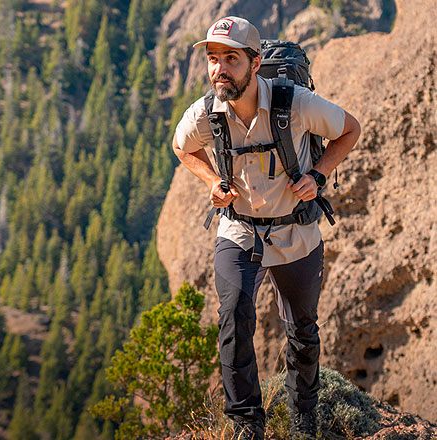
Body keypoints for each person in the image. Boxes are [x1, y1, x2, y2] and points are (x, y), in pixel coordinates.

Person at [172, 16, 361, 440]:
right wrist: (212, 183)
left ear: (255, 64)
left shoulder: (294, 103)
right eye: (213, 59)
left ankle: (303, 419)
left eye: (231, 59)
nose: (219, 68)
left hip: (295, 233)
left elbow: (350, 129)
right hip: (238, 232)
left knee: (302, 330)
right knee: (233, 318)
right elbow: (180, 146)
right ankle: (246, 424)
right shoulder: (206, 113)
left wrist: (320, 174)